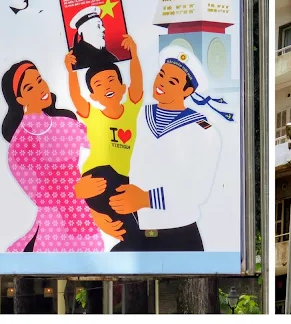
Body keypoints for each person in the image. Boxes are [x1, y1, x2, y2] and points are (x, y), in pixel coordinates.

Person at [100, 46, 234, 251]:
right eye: (161, 75)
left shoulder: (204, 132)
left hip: (178, 235)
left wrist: (145, 199)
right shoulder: (140, 116)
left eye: (173, 82)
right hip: (139, 233)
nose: (161, 84)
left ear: (187, 91)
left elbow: (198, 191)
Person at [0, 60, 106, 252]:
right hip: (55, 228)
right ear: (20, 99)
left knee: (94, 267)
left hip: (84, 218)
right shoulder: (20, 144)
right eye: (30, 88)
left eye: (40, 80)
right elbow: (39, 193)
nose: (40, 89)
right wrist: (76, 191)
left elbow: (99, 147)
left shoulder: (65, 123)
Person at [65, 34, 144, 247]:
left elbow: (137, 83)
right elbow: (76, 97)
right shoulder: (93, 115)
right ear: (93, 96)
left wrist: (134, 55)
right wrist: (70, 71)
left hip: (123, 179)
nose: (107, 87)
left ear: (122, 86)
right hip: (99, 178)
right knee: (131, 232)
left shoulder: (130, 110)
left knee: (137, 231)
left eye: (111, 80)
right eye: (98, 85)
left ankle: (127, 254)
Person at [69, 6, 118, 70]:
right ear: (83, 30)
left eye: (102, 25)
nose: (103, 29)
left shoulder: (111, 58)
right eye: (98, 26)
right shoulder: (72, 57)